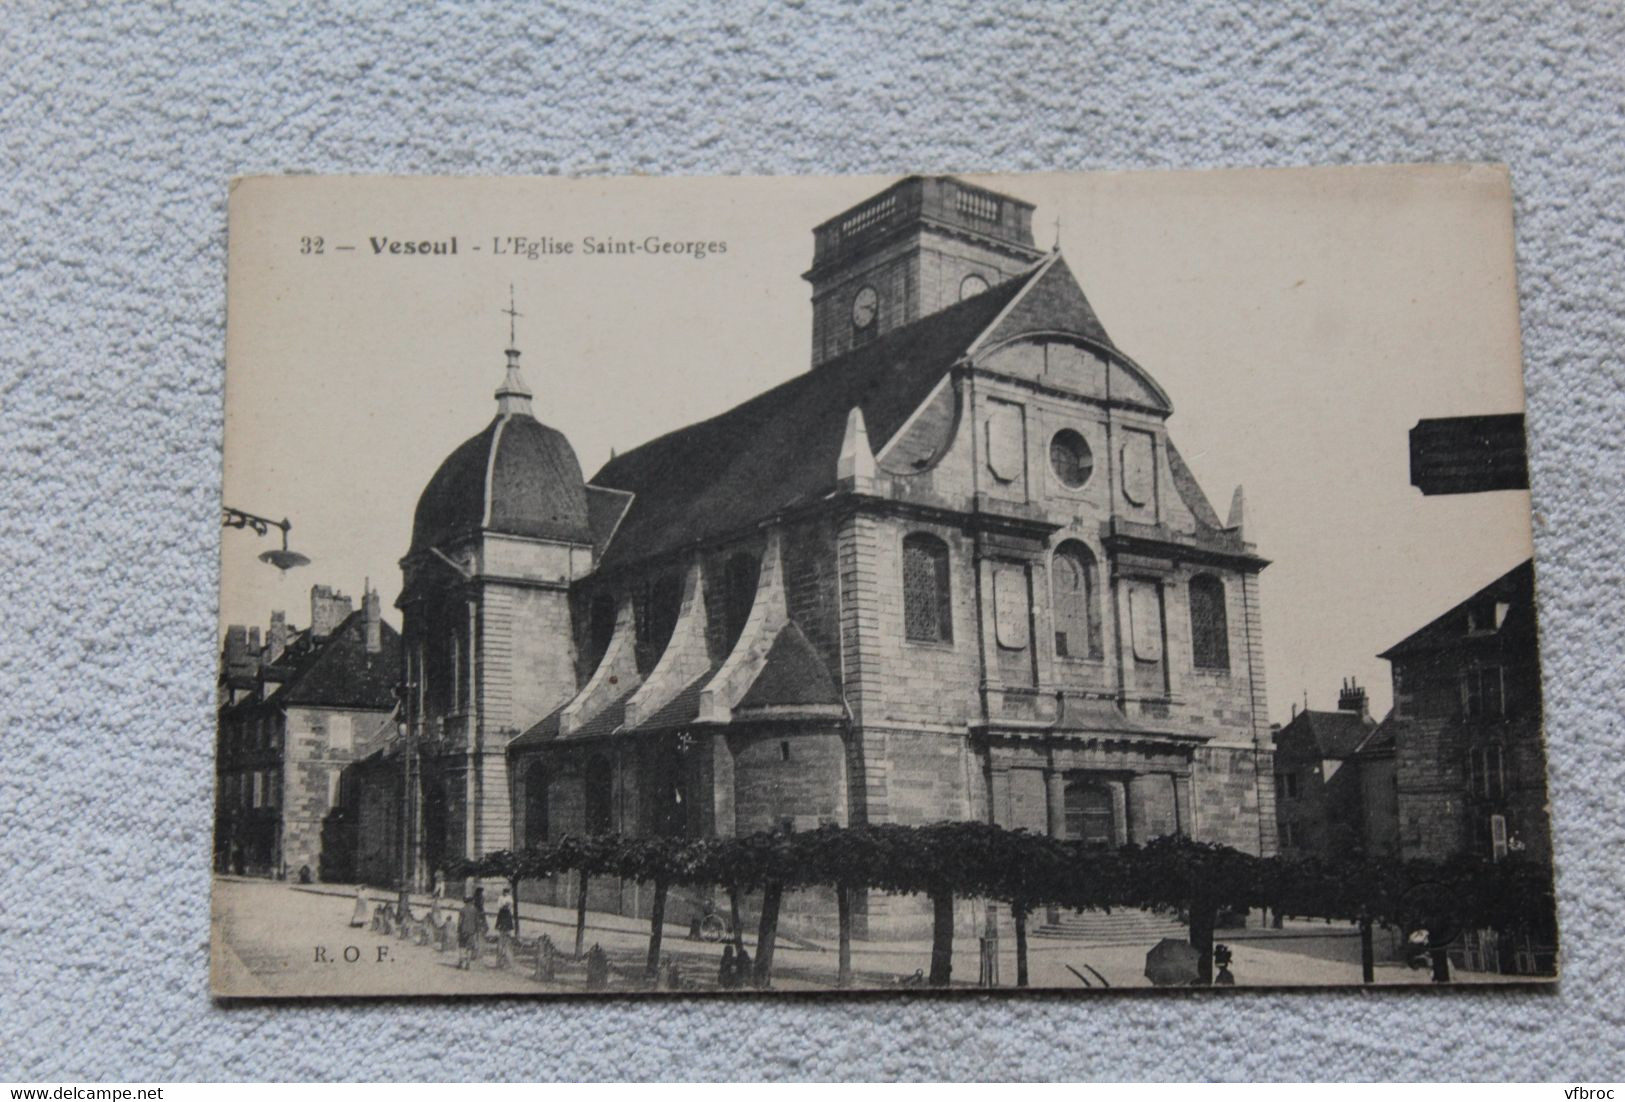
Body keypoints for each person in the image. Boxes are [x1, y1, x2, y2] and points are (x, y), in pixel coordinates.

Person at [456, 894, 481, 969]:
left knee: (461, 947)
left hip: (463, 931)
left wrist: (458, 930)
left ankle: (460, 962)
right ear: (471, 901)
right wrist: (476, 931)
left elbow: (460, 922)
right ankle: (468, 964)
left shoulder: (462, 910)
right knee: (469, 948)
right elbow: (477, 922)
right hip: (471, 931)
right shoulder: (475, 910)